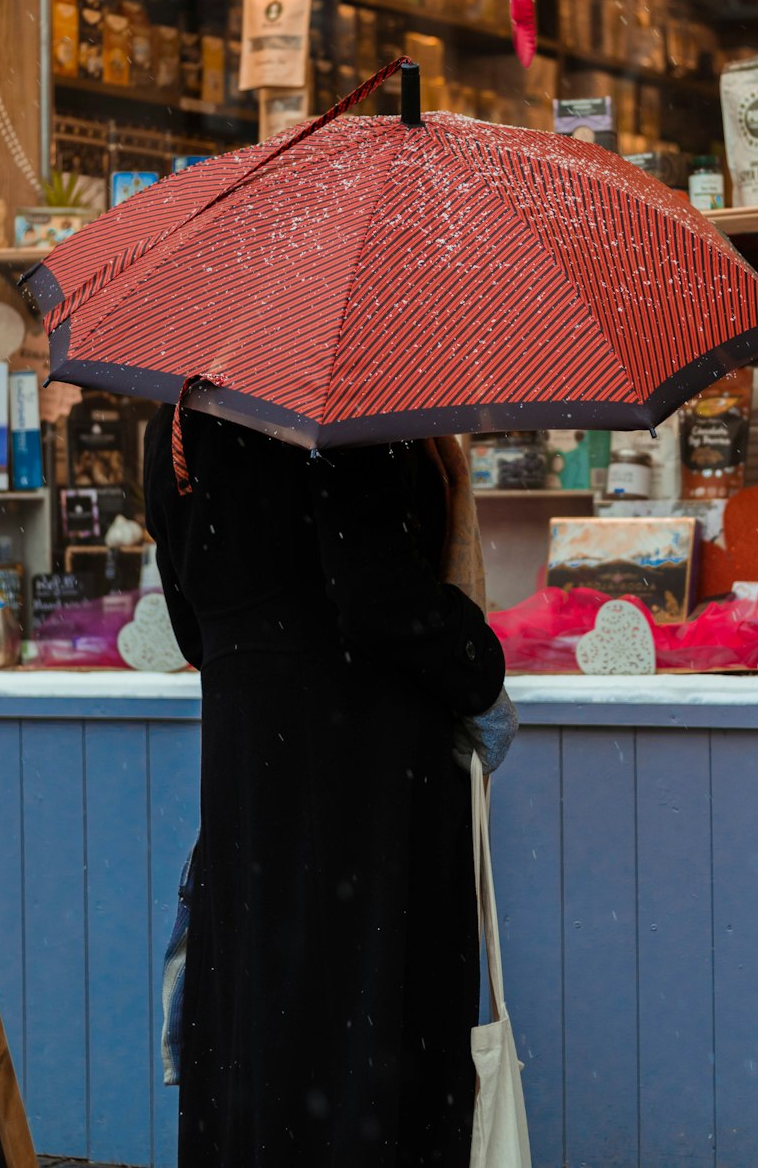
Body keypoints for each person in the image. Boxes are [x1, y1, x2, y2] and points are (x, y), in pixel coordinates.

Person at [144, 405, 507, 1168]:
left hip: (251, 779)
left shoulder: (177, 416)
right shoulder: (351, 408)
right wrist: (477, 668)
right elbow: (375, 591)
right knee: (364, 1052)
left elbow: (190, 627)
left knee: (263, 1042)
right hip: (365, 788)